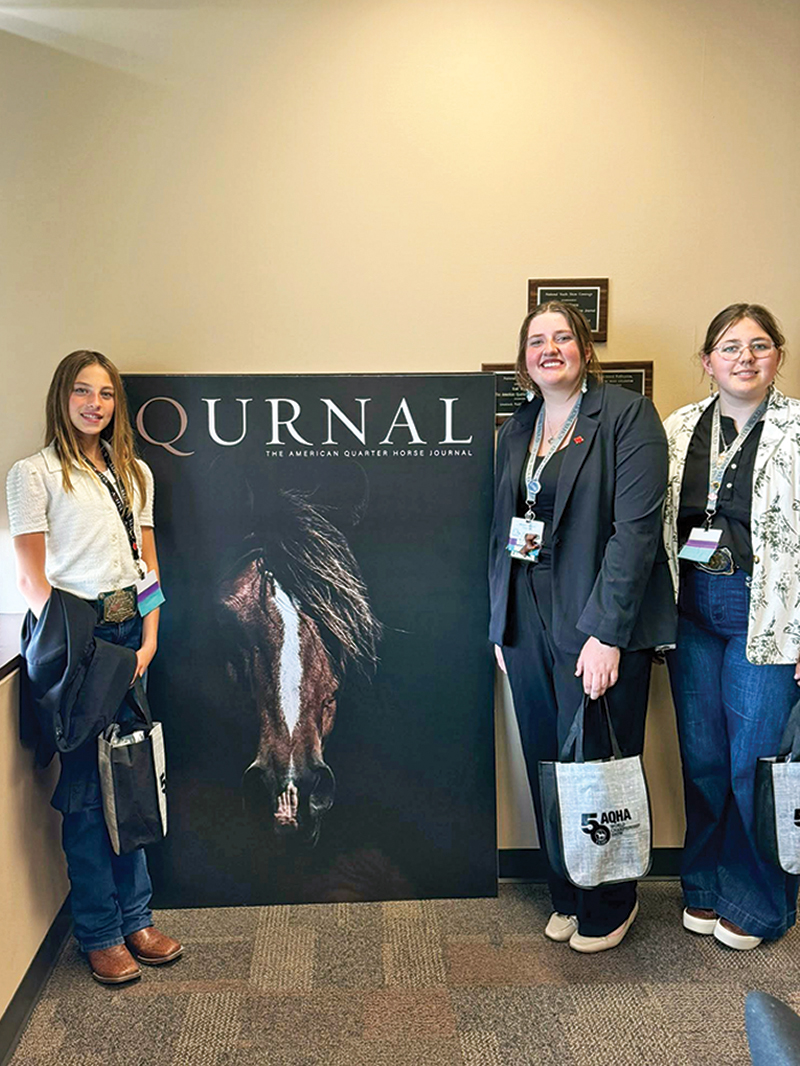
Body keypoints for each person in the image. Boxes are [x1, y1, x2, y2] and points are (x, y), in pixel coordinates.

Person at [489, 301, 675, 953]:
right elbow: (503, 531)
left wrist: (608, 633)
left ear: (585, 350)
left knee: (599, 760)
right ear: (524, 358)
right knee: (547, 757)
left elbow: (636, 535)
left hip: (595, 615)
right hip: (527, 615)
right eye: (536, 340)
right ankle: (567, 889)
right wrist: (501, 622)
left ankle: (611, 899)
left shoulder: (626, 416)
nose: (550, 349)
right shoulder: (518, 429)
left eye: (563, 336)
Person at [6, 350, 182, 984]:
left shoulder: (134, 472)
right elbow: (31, 581)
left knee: (130, 778)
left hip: (130, 636)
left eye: (105, 394)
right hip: (77, 643)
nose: (94, 404)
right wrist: (84, 654)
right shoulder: (34, 474)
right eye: (82, 391)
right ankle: (100, 931)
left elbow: (146, 565)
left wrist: (149, 640)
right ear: (63, 396)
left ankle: (137, 918)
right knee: (85, 794)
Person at [663, 303, 800, 950]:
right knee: (704, 759)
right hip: (690, 609)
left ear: (778, 355)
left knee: (754, 763)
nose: (745, 357)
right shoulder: (678, 428)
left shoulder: (797, 429)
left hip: (767, 615)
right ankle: (705, 885)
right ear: (707, 360)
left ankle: (759, 902)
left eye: (759, 345)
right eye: (729, 346)